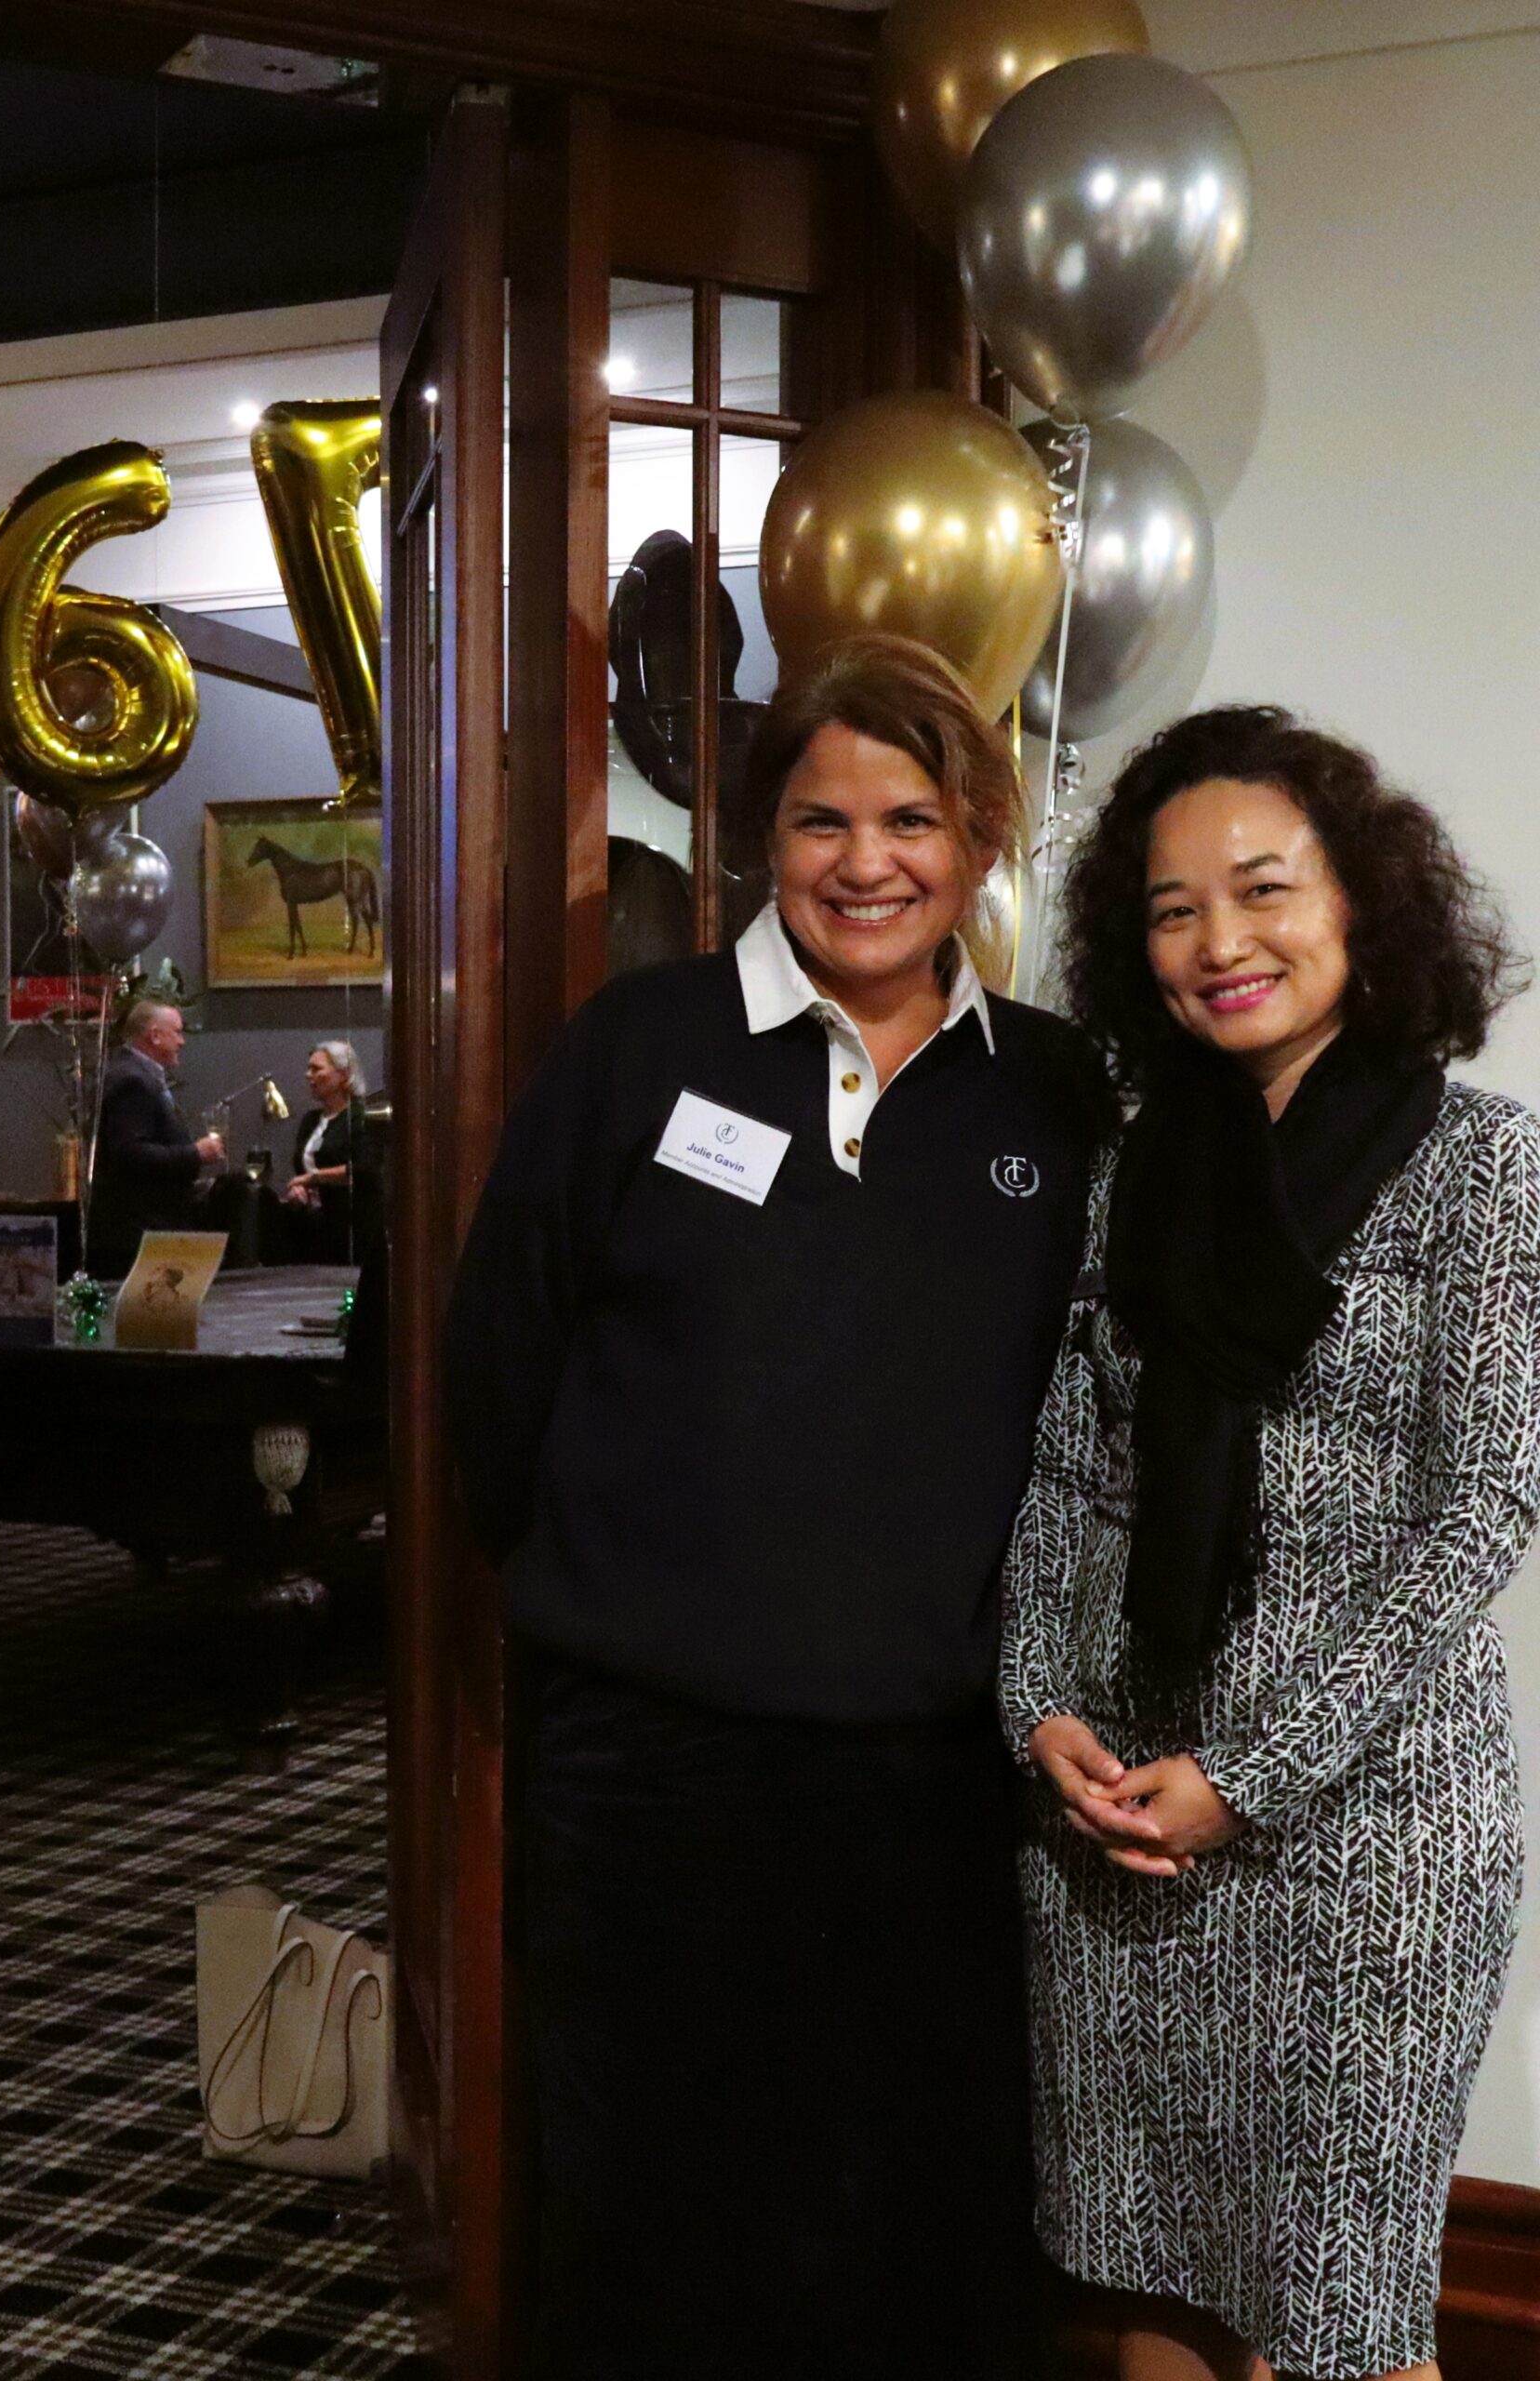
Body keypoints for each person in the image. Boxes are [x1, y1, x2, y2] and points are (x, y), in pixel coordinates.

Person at [443, 632, 1112, 2380]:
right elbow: (498, 1370)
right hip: (652, 1770)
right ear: (764, 840)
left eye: (913, 820)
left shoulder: (1057, 1090)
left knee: (914, 2223)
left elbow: (1097, 1428)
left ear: (979, 840)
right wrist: (627, 1595)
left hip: (937, 1782)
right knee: (652, 2223)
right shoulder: (636, 1048)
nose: (866, 862)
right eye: (824, 820)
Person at [1002, 708, 1539, 2381]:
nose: (1220, 941)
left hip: (1367, 1831)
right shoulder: (1130, 1174)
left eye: (1262, 889)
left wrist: (1256, 1774)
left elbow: (1486, 1507)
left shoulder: (1486, 1167)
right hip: (1117, 1813)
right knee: (1149, 2280)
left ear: (1360, 899)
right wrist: (1037, 1709)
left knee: (1343, 2317)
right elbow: (1062, 1473)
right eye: (1173, 910)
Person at [90, 1000, 221, 1277]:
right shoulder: (132, 1081)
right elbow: (130, 1153)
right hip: (138, 1230)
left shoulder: (131, 1074)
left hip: (140, 1226)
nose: (182, 1042)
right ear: (155, 1035)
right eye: (178, 1032)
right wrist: (195, 1154)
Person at [281, 1039, 378, 1263]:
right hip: (313, 1230)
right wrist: (299, 1189)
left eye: (316, 1069)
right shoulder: (310, 1120)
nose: (308, 1075)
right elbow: (301, 1171)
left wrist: (314, 1178)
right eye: (308, 1069)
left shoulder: (361, 1117)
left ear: (343, 1075)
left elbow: (365, 1170)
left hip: (351, 1228)